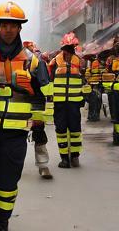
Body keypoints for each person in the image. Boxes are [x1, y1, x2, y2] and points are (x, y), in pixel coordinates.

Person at [0, 2, 52, 231]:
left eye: (13, 25)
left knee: (6, 183)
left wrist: (39, 123)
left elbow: (44, 95)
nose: (8, 29)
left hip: (14, 134)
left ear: (20, 28)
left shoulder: (32, 61)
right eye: (4, 25)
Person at [48, 33, 85, 168]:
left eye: (71, 48)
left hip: (73, 102)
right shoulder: (54, 62)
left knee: (74, 129)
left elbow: (84, 82)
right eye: (68, 47)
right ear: (63, 47)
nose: (69, 50)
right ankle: (65, 158)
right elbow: (49, 81)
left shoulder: (80, 62)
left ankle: (74, 157)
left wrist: (83, 97)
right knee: (62, 130)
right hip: (60, 103)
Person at [22, 41, 53, 180]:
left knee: (38, 133)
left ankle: (43, 165)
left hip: (35, 102)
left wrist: (49, 107)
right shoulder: (17, 61)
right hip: (20, 103)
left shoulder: (38, 62)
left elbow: (45, 83)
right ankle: (42, 166)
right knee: (19, 136)